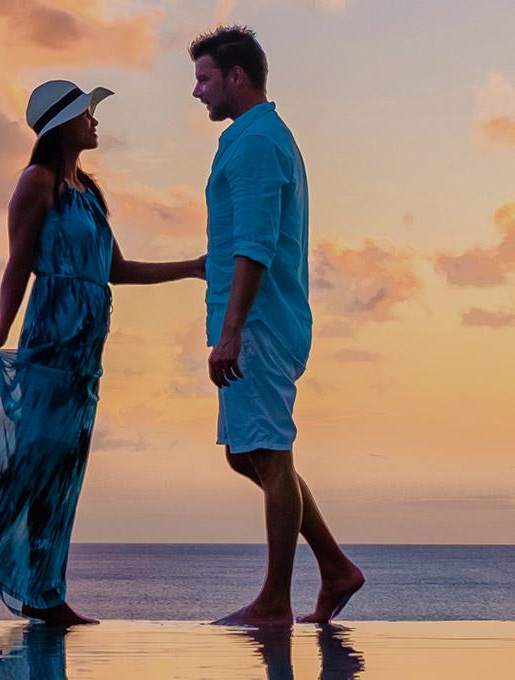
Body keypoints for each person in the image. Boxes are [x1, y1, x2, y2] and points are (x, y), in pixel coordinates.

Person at [0, 79, 206, 626]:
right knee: (35, 461)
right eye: (87, 113)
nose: (95, 122)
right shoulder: (36, 183)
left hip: (87, 347)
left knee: (60, 468)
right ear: (62, 124)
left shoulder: (86, 191)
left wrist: (195, 267)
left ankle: (24, 583)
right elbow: (18, 263)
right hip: (51, 337)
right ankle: (0, 578)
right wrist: (1, 328)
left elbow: (116, 270)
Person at [188, 25, 366, 627]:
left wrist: (232, 331)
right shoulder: (249, 138)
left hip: (258, 323)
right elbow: (239, 240)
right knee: (251, 457)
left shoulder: (258, 142)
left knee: (268, 452)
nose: (197, 91)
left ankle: (276, 600)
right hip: (252, 316)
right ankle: (336, 567)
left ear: (238, 77)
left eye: (205, 78)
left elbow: (257, 244)